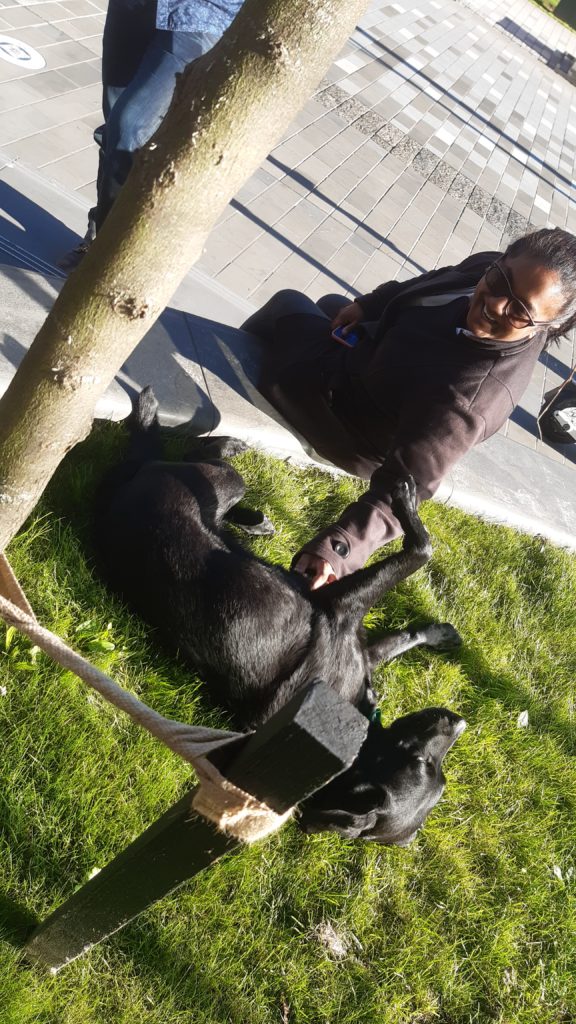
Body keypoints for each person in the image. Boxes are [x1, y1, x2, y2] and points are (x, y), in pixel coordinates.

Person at [242, 227, 576, 588]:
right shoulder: (483, 268)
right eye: (499, 280)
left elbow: (405, 487)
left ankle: (211, 370)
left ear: (548, 324)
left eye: (518, 312)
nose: (496, 304)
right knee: (332, 304)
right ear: (498, 261)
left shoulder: (467, 398)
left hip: (344, 417)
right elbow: (428, 284)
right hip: (375, 366)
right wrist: (368, 305)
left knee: (288, 304)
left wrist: (338, 549)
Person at [59, 0, 243, 270]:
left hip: (200, 15)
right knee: (114, 129)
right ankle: (99, 232)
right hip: (133, 8)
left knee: (130, 128)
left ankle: (109, 256)